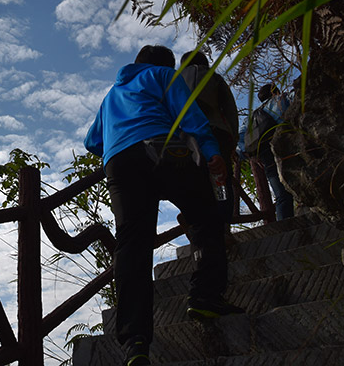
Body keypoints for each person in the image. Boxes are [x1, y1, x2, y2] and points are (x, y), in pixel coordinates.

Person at [85, 45, 243, 366]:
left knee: (132, 242)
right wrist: (212, 150)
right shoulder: (164, 75)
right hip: (162, 147)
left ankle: (135, 341)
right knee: (204, 216)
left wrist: (119, 138)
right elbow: (188, 114)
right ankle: (205, 296)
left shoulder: (112, 95)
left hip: (118, 162)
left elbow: (92, 141)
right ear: (166, 64)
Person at [180, 50, 240, 226]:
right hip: (217, 134)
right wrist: (233, 140)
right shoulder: (213, 77)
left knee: (194, 181)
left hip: (186, 137)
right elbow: (229, 109)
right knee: (220, 181)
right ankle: (223, 227)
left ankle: (201, 230)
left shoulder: (175, 79)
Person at [256, 83, 294, 220]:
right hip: (287, 146)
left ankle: (284, 226)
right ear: (275, 92)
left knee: (281, 195)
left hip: (266, 155)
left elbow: (242, 140)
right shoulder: (282, 100)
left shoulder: (254, 115)